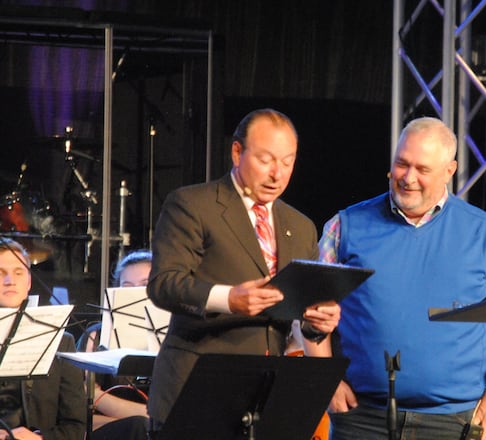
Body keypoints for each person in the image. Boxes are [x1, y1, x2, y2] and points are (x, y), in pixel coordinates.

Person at [304, 116, 486, 440]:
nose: (408, 178)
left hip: (456, 420)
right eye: (402, 164)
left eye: (422, 169)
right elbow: (310, 307)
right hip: (362, 418)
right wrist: (324, 381)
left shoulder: (483, 231)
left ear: (449, 171)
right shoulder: (346, 226)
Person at [145, 108, 341, 434]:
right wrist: (228, 299)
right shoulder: (193, 204)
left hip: (263, 397)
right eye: (266, 160)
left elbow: (297, 312)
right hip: (195, 391)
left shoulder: (300, 226)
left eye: (287, 162)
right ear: (237, 152)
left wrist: (314, 323)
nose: (277, 174)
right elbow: (164, 283)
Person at [0, 237, 86, 440]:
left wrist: (40, 438)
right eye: (0, 273)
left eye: (18, 273)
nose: (10, 281)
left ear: (29, 282)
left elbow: (76, 427)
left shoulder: (61, 342)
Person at [79, 250, 152, 440]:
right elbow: (80, 417)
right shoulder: (96, 337)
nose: (135, 294)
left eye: (145, 285)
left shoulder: (174, 340)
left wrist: (97, 396)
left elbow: (162, 416)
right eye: (127, 287)